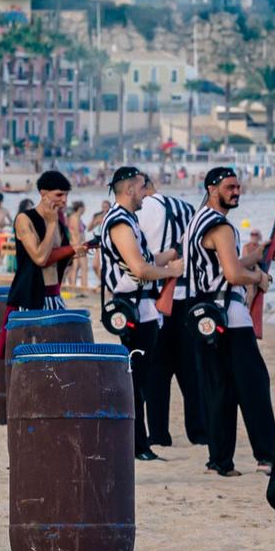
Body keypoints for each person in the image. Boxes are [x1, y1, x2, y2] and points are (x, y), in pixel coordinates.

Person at [183, 166, 275, 476]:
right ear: (212, 189)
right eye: (230, 187)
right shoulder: (222, 227)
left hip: (203, 316)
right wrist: (260, 277)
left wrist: (259, 255)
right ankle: (268, 457)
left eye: (238, 187)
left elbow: (225, 263)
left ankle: (219, 461)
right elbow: (233, 274)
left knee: (218, 390)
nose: (236, 192)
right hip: (231, 316)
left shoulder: (197, 221)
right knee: (254, 386)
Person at [97, 166, 185, 462]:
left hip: (142, 308)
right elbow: (140, 269)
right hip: (134, 309)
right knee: (136, 380)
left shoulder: (127, 220)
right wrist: (169, 270)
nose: (147, 193)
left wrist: (171, 254)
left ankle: (141, 442)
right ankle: (137, 445)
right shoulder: (120, 222)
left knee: (141, 378)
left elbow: (145, 261)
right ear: (130, 189)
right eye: (142, 187)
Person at [138, 174, 206, 448]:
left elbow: (145, 257)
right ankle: (198, 431)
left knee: (157, 372)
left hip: (160, 297)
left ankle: (159, 434)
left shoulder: (144, 209)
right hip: (188, 297)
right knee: (191, 370)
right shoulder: (187, 208)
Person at [6, 171, 74, 312]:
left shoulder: (59, 223)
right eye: (59, 195)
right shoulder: (24, 219)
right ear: (43, 194)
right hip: (29, 297)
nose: (64, 200)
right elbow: (40, 258)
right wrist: (50, 224)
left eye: (66, 195)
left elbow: (62, 259)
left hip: (55, 294)